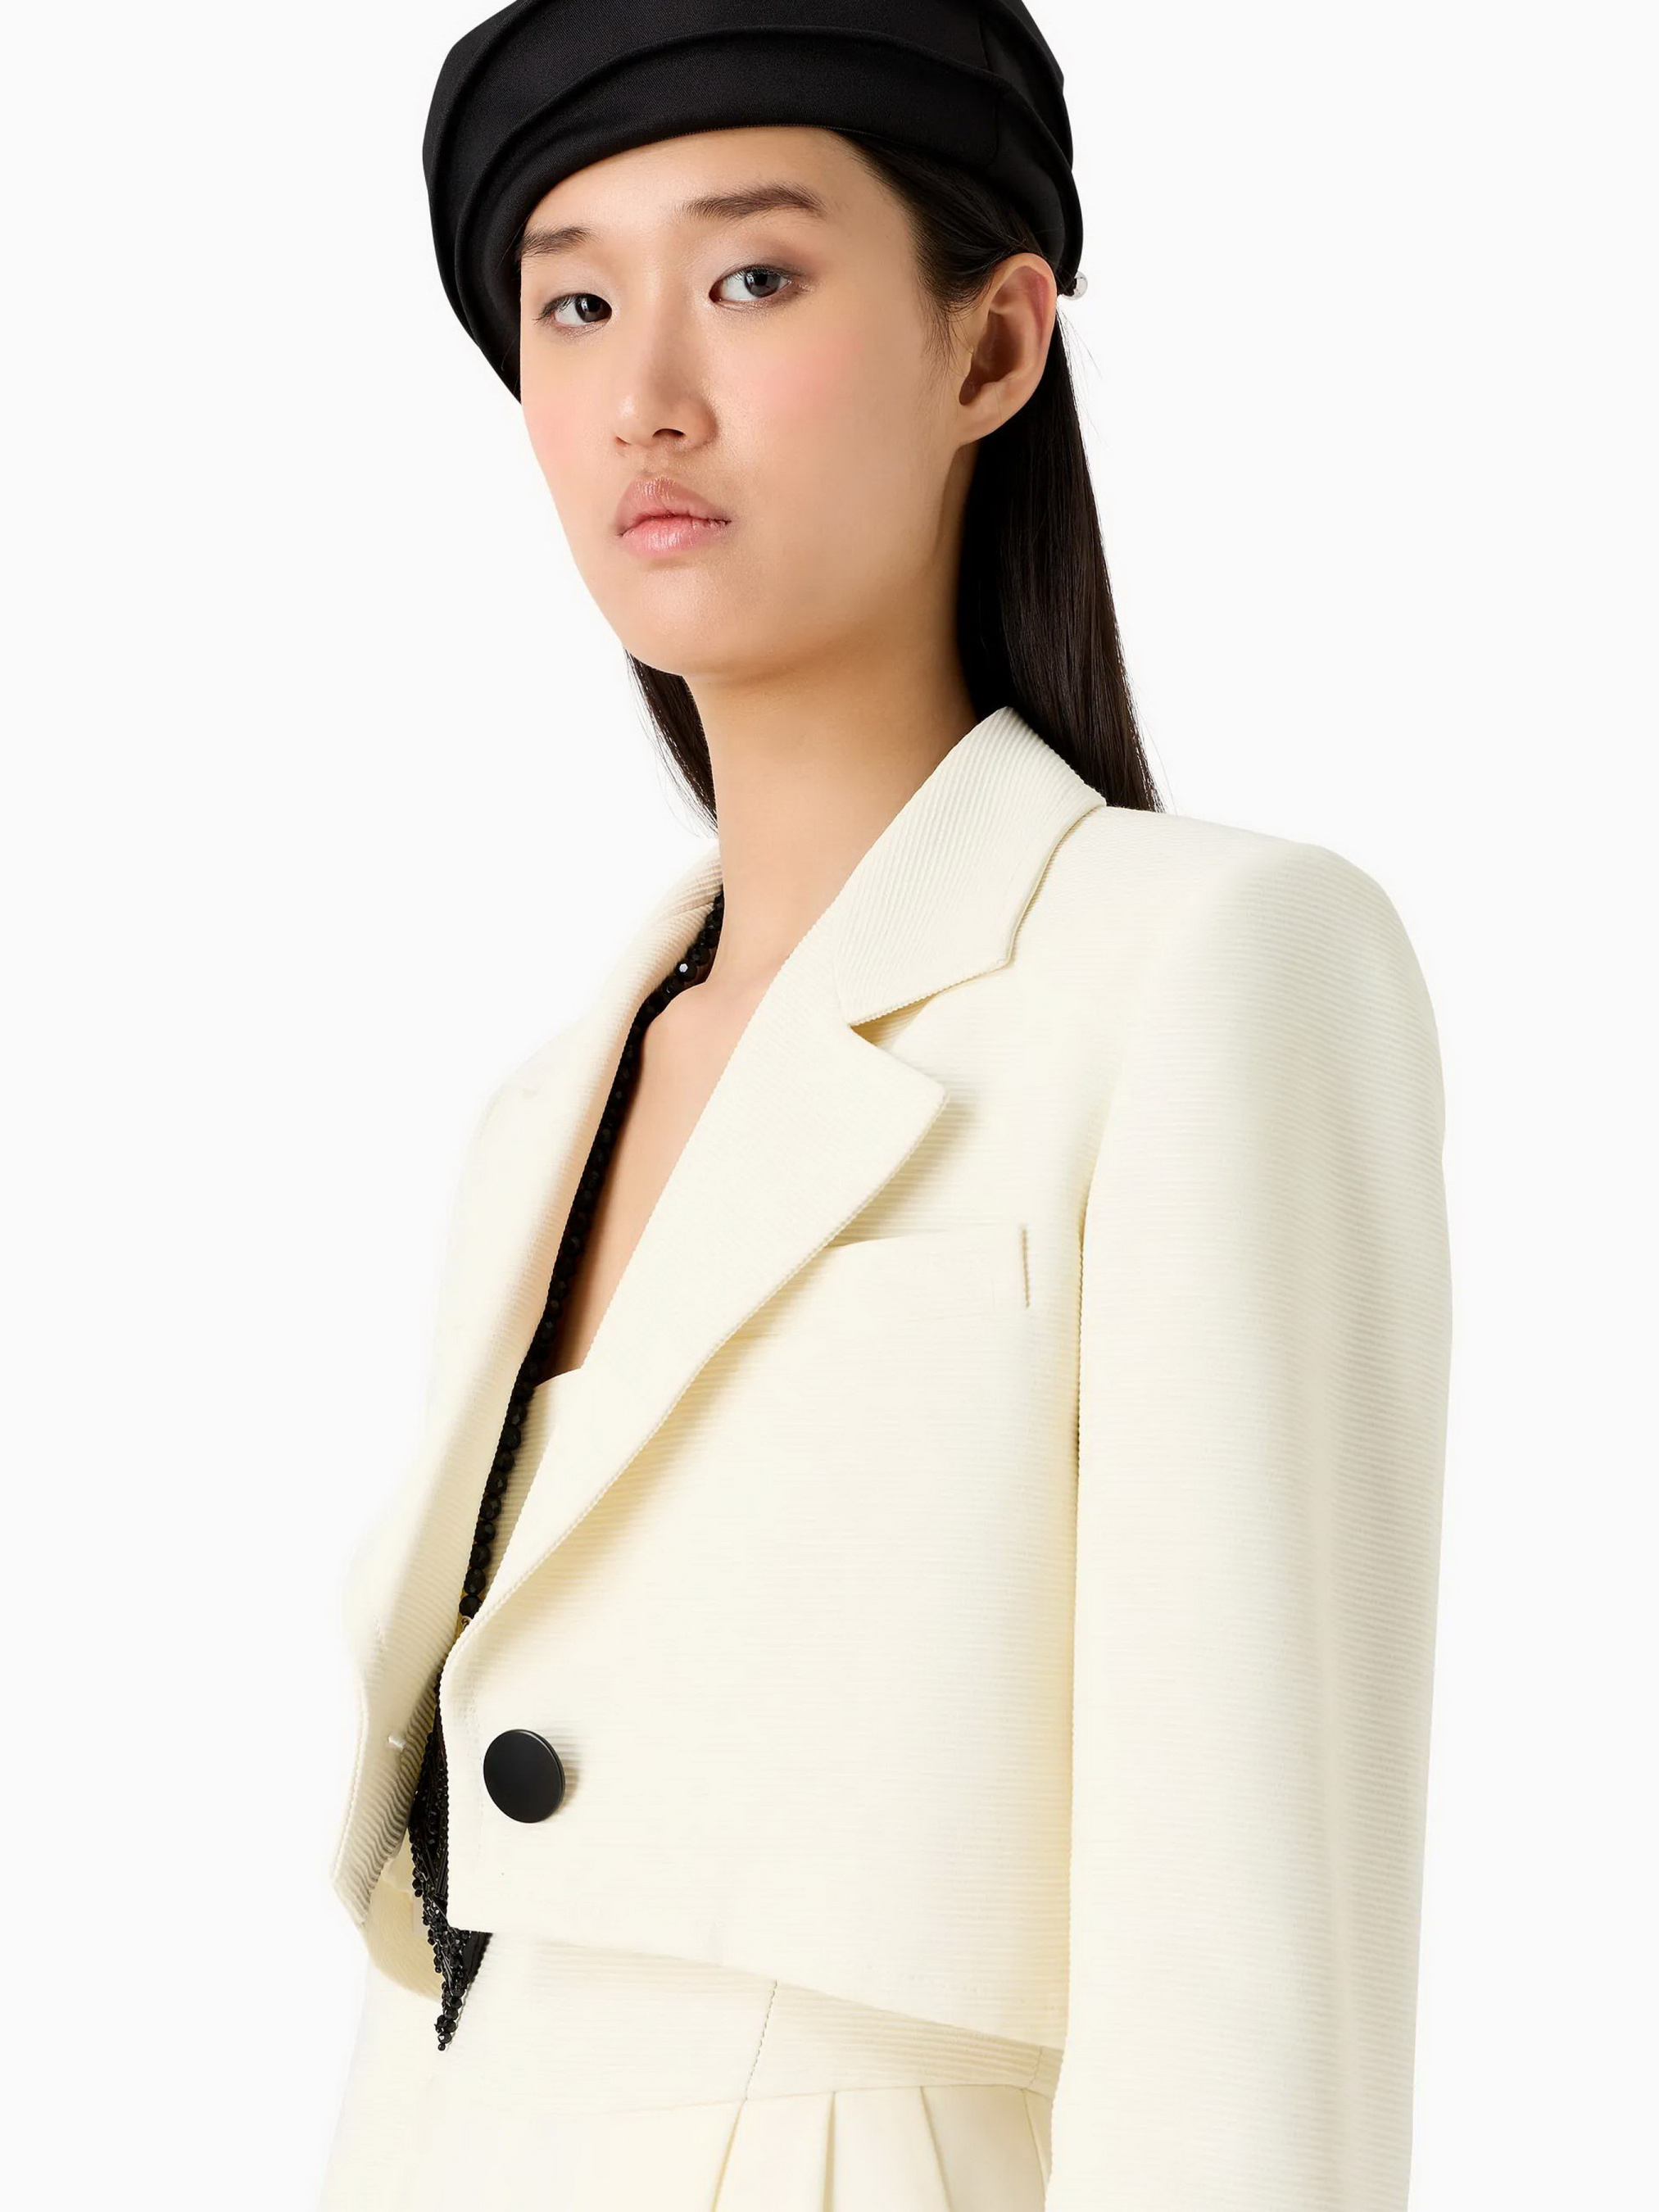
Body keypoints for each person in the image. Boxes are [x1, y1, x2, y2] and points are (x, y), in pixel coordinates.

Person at [317, 4, 1453, 2208]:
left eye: (752, 276)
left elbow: (1247, 1959)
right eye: (573, 304)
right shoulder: (537, 1116)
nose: (646, 394)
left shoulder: (1199, 969)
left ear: (992, 346)